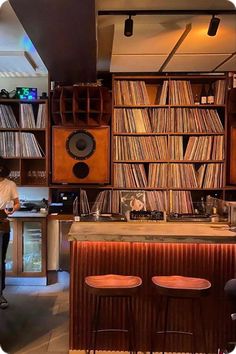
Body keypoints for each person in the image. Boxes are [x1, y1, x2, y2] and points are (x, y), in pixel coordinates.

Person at [0, 158, 20, 309]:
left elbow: (17, 202)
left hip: (2, 222)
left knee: (0, 261)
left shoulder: (10, 184)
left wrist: (13, 209)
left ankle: (0, 294)